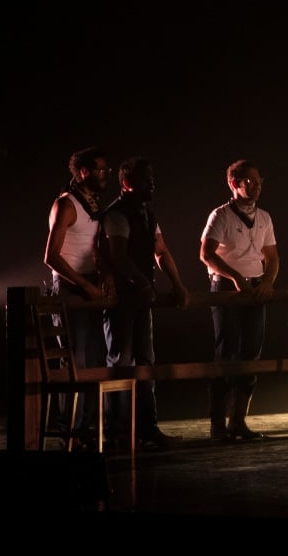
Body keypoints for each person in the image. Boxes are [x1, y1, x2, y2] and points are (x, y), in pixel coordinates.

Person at [98, 156, 188, 448]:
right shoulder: (116, 214)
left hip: (141, 300)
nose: (152, 184)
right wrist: (143, 283)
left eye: (152, 178)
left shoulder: (147, 214)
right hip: (122, 300)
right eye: (145, 179)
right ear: (127, 184)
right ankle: (117, 430)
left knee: (146, 362)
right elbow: (119, 256)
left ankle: (147, 427)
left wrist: (177, 284)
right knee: (121, 362)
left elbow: (161, 251)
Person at [199, 160, 279, 442]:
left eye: (259, 181)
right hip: (226, 289)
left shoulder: (265, 217)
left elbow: (272, 257)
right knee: (227, 352)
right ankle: (218, 424)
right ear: (234, 183)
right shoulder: (221, 216)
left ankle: (238, 421)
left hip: (255, 289)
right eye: (250, 181)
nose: (256, 186)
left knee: (251, 355)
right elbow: (207, 255)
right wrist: (235, 278)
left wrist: (267, 282)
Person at [42, 146, 112, 444]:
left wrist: (104, 278)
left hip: (92, 285)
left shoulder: (94, 204)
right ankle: (71, 426)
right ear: (82, 171)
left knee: (96, 356)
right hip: (72, 287)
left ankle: (88, 425)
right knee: (76, 359)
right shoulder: (66, 204)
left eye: (105, 169)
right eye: (98, 169)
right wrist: (85, 286)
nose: (104, 174)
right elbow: (51, 257)